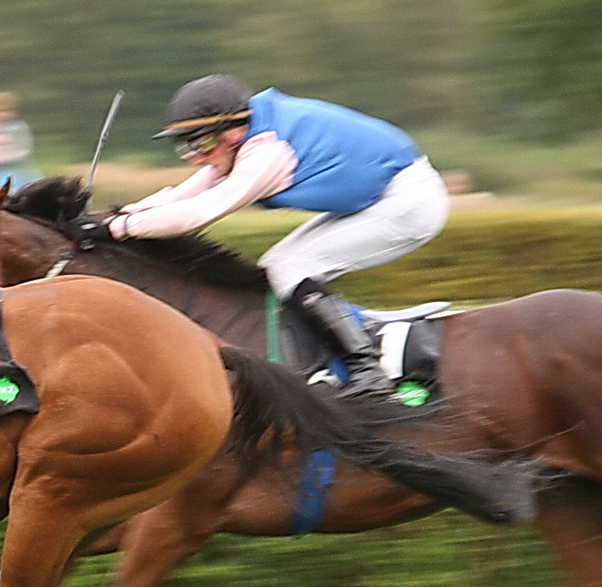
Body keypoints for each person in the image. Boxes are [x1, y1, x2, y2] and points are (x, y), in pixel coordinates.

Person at [66, 75, 449, 399]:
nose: (195, 157)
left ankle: (367, 371)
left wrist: (114, 229)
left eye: (199, 144)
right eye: (186, 146)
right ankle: (340, 356)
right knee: (277, 268)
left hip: (409, 203)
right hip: (380, 198)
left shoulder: (266, 153)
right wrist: (114, 218)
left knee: (290, 267)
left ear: (234, 131)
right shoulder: (243, 138)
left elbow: (200, 213)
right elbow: (185, 193)